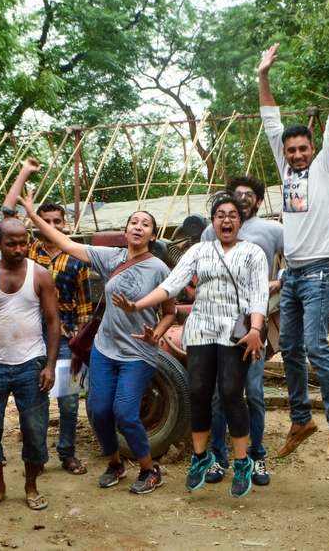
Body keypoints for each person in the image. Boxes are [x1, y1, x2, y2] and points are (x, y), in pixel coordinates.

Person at [21, 185, 177, 495]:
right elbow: (64, 242)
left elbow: (170, 313)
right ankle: (115, 463)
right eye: (135, 222)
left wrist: (156, 334)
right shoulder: (109, 257)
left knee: (125, 412)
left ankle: (149, 470)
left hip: (138, 352)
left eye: (146, 224)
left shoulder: (160, 268)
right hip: (105, 349)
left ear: (152, 236)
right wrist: (31, 214)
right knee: (98, 410)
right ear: (126, 230)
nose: (139, 226)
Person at [114, 194, 269, 498]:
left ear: (241, 221)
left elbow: (259, 292)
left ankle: (241, 462)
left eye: (233, 215)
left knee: (229, 393)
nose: (227, 220)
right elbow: (172, 283)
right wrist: (137, 305)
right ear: (212, 222)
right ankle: (201, 457)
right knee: (197, 392)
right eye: (220, 215)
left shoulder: (253, 252)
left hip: (234, 332)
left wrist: (255, 329)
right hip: (200, 329)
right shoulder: (199, 250)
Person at [258, 40, 329, 461]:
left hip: (320, 269)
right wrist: (263, 75)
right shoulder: (286, 171)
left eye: (302, 149)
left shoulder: (325, 167)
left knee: (317, 346)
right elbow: (269, 119)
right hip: (294, 273)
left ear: (312, 149)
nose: (297, 154)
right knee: (290, 349)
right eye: (291, 150)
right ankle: (301, 419)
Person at [4, 159, 93, 475]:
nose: (53, 226)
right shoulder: (27, 253)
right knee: (35, 398)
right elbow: (7, 213)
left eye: (58, 221)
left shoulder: (77, 258)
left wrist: (81, 340)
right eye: (47, 221)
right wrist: (25, 187)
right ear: (38, 223)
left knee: (68, 401)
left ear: (65, 224)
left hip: (67, 335)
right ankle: (36, 455)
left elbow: (84, 307)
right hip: (30, 335)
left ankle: (67, 452)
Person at [0, 218, 61, 512]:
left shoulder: (40, 275)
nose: (19, 248)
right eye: (12, 243)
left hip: (31, 364)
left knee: (35, 428)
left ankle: (31, 487)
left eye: (23, 242)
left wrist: (50, 365)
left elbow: (53, 321)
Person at [200, 175, 284, 487]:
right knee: (220, 396)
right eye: (237, 195)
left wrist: (283, 277)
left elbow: (302, 257)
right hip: (220, 325)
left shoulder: (271, 230)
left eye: (249, 195)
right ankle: (219, 459)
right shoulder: (212, 230)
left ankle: (256, 456)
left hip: (253, 325)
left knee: (256, 393)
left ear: (259, 202)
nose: (243, 199)